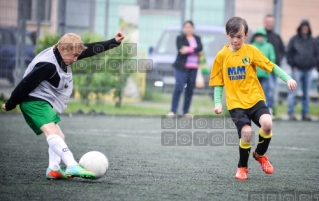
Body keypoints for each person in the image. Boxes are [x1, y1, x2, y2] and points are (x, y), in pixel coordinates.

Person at [1, 32, 124, 180]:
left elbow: (90, 49)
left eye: (77, 55)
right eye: (73, 55)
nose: (76, 59)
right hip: (34, 102)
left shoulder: (64, 53)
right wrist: (11, 103)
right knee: (52, 132)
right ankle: (72, 165)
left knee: (60, 136)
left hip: (41, 102)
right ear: (63, 48)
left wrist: (114, 42)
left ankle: (53, 169)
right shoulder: (47, 64)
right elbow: (25, 84)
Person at [209, 17, 297, 180]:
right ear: (228, 34)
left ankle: (260, 154)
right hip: (236, 104)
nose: (236, 40)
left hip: (255, 98)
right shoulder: (221, 56)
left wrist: (288, 79)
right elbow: (218, 82)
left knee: (267, 123)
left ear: (246, 35)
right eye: (233, 36)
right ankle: (242, 168)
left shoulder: (251, 51)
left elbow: (271, 66)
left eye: (240, 37)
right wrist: (217, 103)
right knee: (247, 133)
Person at [167, 20, 203, 117]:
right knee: (178, 88)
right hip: (181, 67)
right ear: (183, 28)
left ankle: (185, 112)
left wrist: (188, 49)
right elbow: (181, 48)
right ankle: (173, 111)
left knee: (189, 90)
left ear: (193, 28)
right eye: (186, 27)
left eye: (190, 27)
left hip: (193, 68)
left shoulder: (197, 38)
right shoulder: (180, 38)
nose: (188, 29)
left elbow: (200, 48)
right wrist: (194, 50)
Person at [286, 20, 316, 121]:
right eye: (303, 26)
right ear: (300, 27)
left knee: (306, 93)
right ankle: (291, 113)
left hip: (308, 70)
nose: (305, 28)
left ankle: (305, 113)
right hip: (297, 69)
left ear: (308, 28)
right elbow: (288, 53)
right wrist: (293, 65)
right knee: (293, 92)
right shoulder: (294, 39)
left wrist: (313, 64)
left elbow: (316, 53)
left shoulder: (312, 40)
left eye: (306, 26)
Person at [262, 15, 286, 114]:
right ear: (264, 22)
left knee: (271, 90)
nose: (269, 23)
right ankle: (260, 109)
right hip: (261, 70)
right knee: (261, 90)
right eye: (268, 21)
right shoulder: (259, 35)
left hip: (273, 69)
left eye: (271, 22)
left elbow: (282, 50)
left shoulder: (277, 37)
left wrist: (277, 60)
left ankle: (269, 108)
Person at [251, 28, 276, 117]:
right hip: (254, 75)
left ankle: (269, 109)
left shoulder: (269, 46)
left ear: (264, 37)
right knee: (254, 93)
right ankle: (255, 111)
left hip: (266, 74)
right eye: (258, 36)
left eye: (261, 36)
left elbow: (272, 58)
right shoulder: (252, 46)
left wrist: (268, 69)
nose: (259, 38)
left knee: (268, 92)